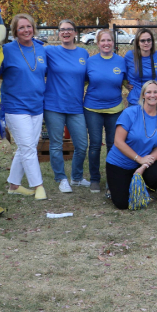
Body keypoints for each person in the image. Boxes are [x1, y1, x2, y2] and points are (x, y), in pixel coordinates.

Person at [2, 14, 48, 200]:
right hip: (15, 106)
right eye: (21, 28)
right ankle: (39, 186)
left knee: (26, 146)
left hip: (37, 105)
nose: (26, 30)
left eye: (28, 26)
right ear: (15, 31)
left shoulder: (41, 49)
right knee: (28, 148)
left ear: (33, 28)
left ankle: (14, 185)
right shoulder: (6, 50)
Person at [105, 81, 157, 210]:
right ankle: (114, 188)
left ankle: (141, 186)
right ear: (143, 95)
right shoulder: (130, 113)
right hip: (119, 163)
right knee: (123, 204)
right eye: (149, 92)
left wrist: (143, 166)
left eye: (156, 92)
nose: (153, 95)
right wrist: (139, 159)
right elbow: (118, 142)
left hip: (141, 164)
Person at [43, 19, 89, 193]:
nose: (66, 32)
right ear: (58, 33)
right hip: (53, 105)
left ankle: (76, 177)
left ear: (75, 33)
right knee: (56, 145)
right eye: (62, 30)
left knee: (82, 144)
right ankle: (61, 178)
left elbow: (88, 76)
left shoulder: (83, 53)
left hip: (76, 106)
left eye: (69, 29)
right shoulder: (50, 51)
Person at [84, 29, 127, 194]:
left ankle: (112, 178)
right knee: (95, 145)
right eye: (103, 41)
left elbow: (127, 82)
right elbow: (82, 83)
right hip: (92, 109)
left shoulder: (121, 61)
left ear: (113, 43)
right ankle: (95, 179)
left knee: (113, 145)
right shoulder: (90, 62)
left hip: (115, 109)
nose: (106, 44)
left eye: (109, 40)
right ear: (98, 43)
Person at [125, 28, 157, 106]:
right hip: (135, 100)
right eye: (142, 41)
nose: (146, 43)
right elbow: (122, 72)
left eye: (149, 40)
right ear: (137, 42)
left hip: (153, 100)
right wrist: (124, 83)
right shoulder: (130, 56)